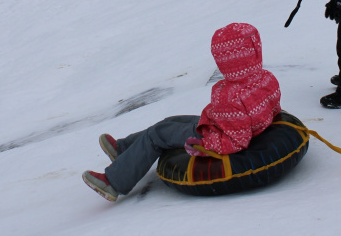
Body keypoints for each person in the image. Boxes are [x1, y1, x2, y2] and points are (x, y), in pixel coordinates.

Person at [82, 22, 282, 202]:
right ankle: (124, 149)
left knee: (157, 135)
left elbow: (237, 141)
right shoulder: (265, 77)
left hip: (218, 135)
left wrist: (204, 144)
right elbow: (273, 108)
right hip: (227, 125)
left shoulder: (231, 97)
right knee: (171, 121)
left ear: (227, 60)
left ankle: (113, 182)